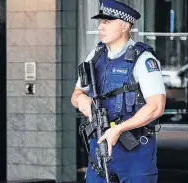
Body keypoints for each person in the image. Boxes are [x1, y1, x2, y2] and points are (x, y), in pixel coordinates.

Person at [71, 0, 166, 182]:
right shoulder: (95, 56)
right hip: (100, 146)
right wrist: (81, 100)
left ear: (124, 26)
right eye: (100, 22)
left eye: (107, 22)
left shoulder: (143, 59)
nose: (100, 27)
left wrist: (119, 129)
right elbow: (76, 94)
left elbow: (156, 107)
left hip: (135, 151)